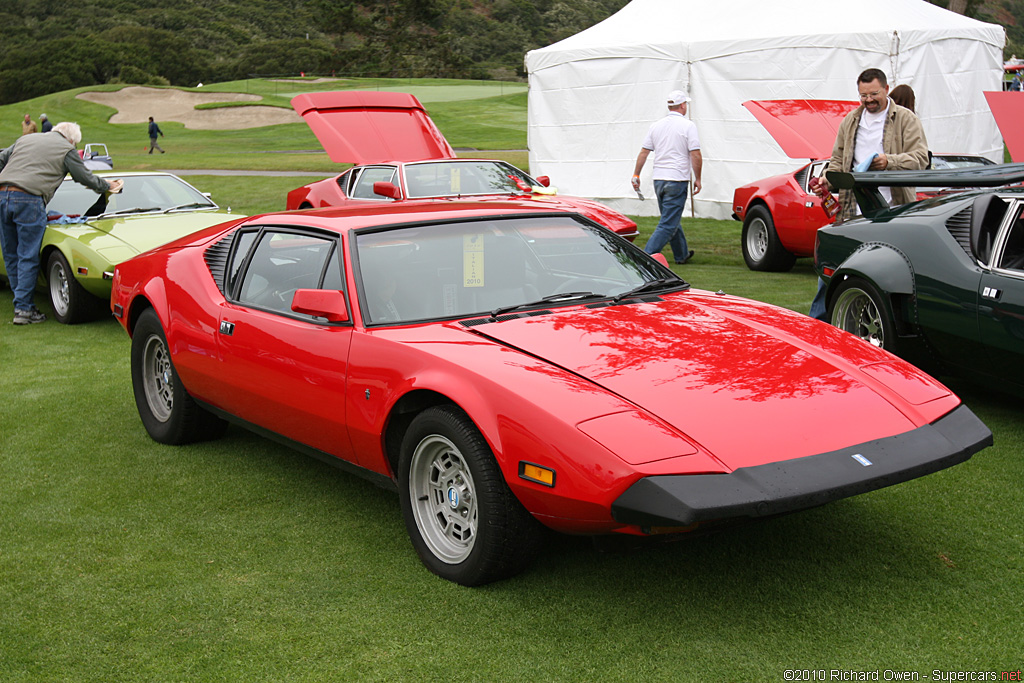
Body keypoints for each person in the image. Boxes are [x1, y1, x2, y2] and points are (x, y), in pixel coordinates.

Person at [809, 68, 928, 320]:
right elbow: (839, 162)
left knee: (887, 278)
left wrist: (889, 162)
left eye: (874, 94)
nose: (869, 100)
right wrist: (825, 181)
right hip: (852, 214)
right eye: (863, 96)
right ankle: (818, 329)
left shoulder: (906, 119)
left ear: (886, 88)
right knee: (833, 272)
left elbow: (921, 159)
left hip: (893, 215)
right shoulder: (850, 120)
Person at [0, 122, 123, 324]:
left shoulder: (25, 139)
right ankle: (23, 310)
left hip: (2, 195)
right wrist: (106, 186)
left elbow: (1, 159)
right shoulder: (66, 149)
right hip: (29, 199)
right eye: (75, 144)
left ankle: (20, 304)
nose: (74, 148)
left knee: (11, 254)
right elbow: (83, 177)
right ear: (71, 140)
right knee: (28, 255)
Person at [631, 89, 703, 264]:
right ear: (682, 105)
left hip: (659, 179)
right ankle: (645, 257)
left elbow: (643, 152)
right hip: (677, 179)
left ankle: (681, 255)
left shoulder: (656, 126)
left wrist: (636, 173)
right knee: (668, 224)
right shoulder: (688, 126)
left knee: (670, 218)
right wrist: (698, 178)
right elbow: (695, 154)